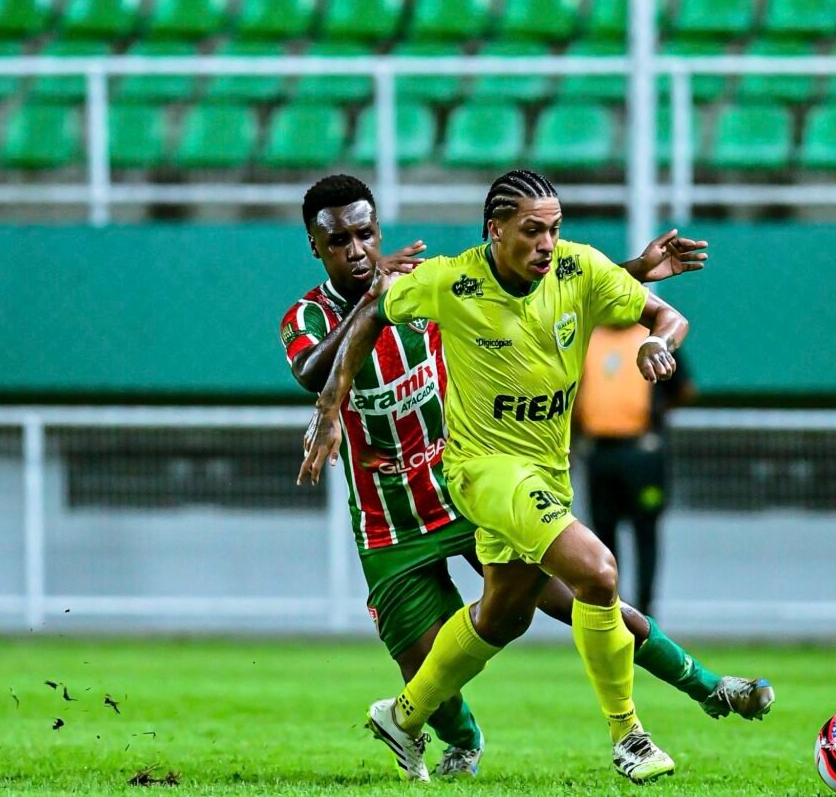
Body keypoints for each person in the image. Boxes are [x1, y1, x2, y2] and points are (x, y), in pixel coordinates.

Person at [297, 170, 774, 785]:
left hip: (481, 491)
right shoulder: (367, 300)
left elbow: (551, 284)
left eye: (366, 235)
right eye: (341, 242)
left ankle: (706, 687)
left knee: (521, 611)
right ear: (317, 246)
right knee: (587, 577)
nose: (357, 250)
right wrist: (331, 404)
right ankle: (507, 736)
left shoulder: (477, 278)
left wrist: (635, 275)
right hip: (409, 515)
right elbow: (322, 363)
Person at [578, 326, 696, 618]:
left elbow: (684, 388)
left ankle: (646, 610)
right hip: (598, 452)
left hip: (641, 453)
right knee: (602, 535)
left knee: (646, 530)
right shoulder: (587, 336)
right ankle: (611, 609)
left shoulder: (653, 338)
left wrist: (655, 414)